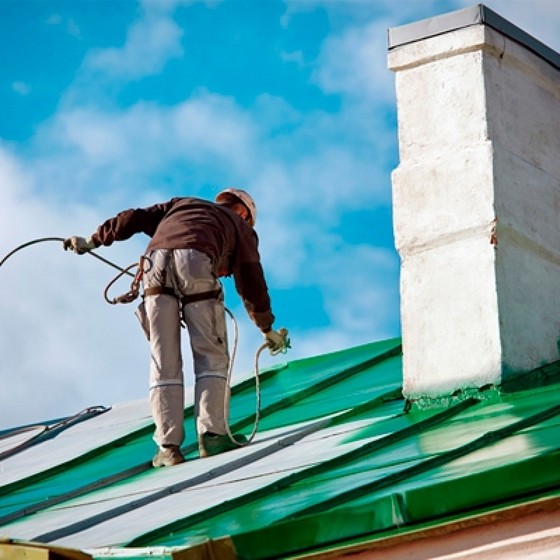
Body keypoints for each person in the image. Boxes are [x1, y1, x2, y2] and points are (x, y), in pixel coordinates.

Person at [63, 188, 286, 467]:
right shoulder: (240, 226)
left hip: (153, 268)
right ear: (243, 212)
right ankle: (213, 436)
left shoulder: (182, 204)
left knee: (163, 359)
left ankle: (168, 448)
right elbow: (251, 278)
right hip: (196, 263)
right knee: (211, 356)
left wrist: (93, 241)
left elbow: (133, 218)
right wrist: (267, 328)